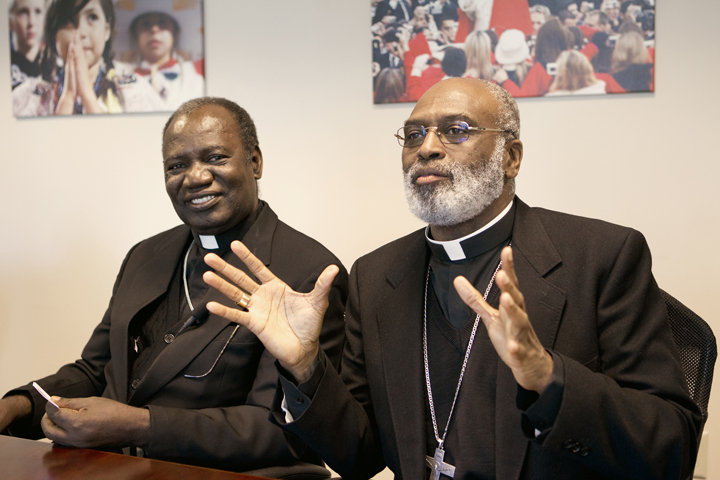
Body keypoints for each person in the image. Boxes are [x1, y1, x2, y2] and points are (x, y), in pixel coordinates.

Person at [203, 79, 702, 479]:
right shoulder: (376, 276)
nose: (427, 149)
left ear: (511, 157)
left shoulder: (602, 256)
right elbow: (359, 456)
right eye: (415, 134)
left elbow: (670, 449)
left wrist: (549, 379)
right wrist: (305, 368)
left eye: (456, 130)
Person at [0, 97, 347, 477]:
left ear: (255, 162)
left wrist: (139, 425)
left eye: (215, 157)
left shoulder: (307, 273)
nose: (195, 177)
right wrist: (19, 405)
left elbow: (285, 433)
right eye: (177, 165)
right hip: (115, 467)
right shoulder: (145, 255)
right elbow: (97, 370)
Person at [11, 0, 162, 116]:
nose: (81, 31)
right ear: (53, 34)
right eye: (68, 20)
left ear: (107, 30)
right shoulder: (29, 95)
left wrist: (88, 97)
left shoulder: (133, 91)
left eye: (92, 17)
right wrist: (68, 97)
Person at [115, 1, 205, 111]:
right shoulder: (121, 75)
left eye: (162, 23)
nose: (154, 29)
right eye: (145, 24)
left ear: (175, 33)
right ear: (135, 34)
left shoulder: (196, 71)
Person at [9, 0, 47, 89]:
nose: (31, 22)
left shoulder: (54, 70)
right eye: (23, 12)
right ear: (10, 21)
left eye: (38, 11)